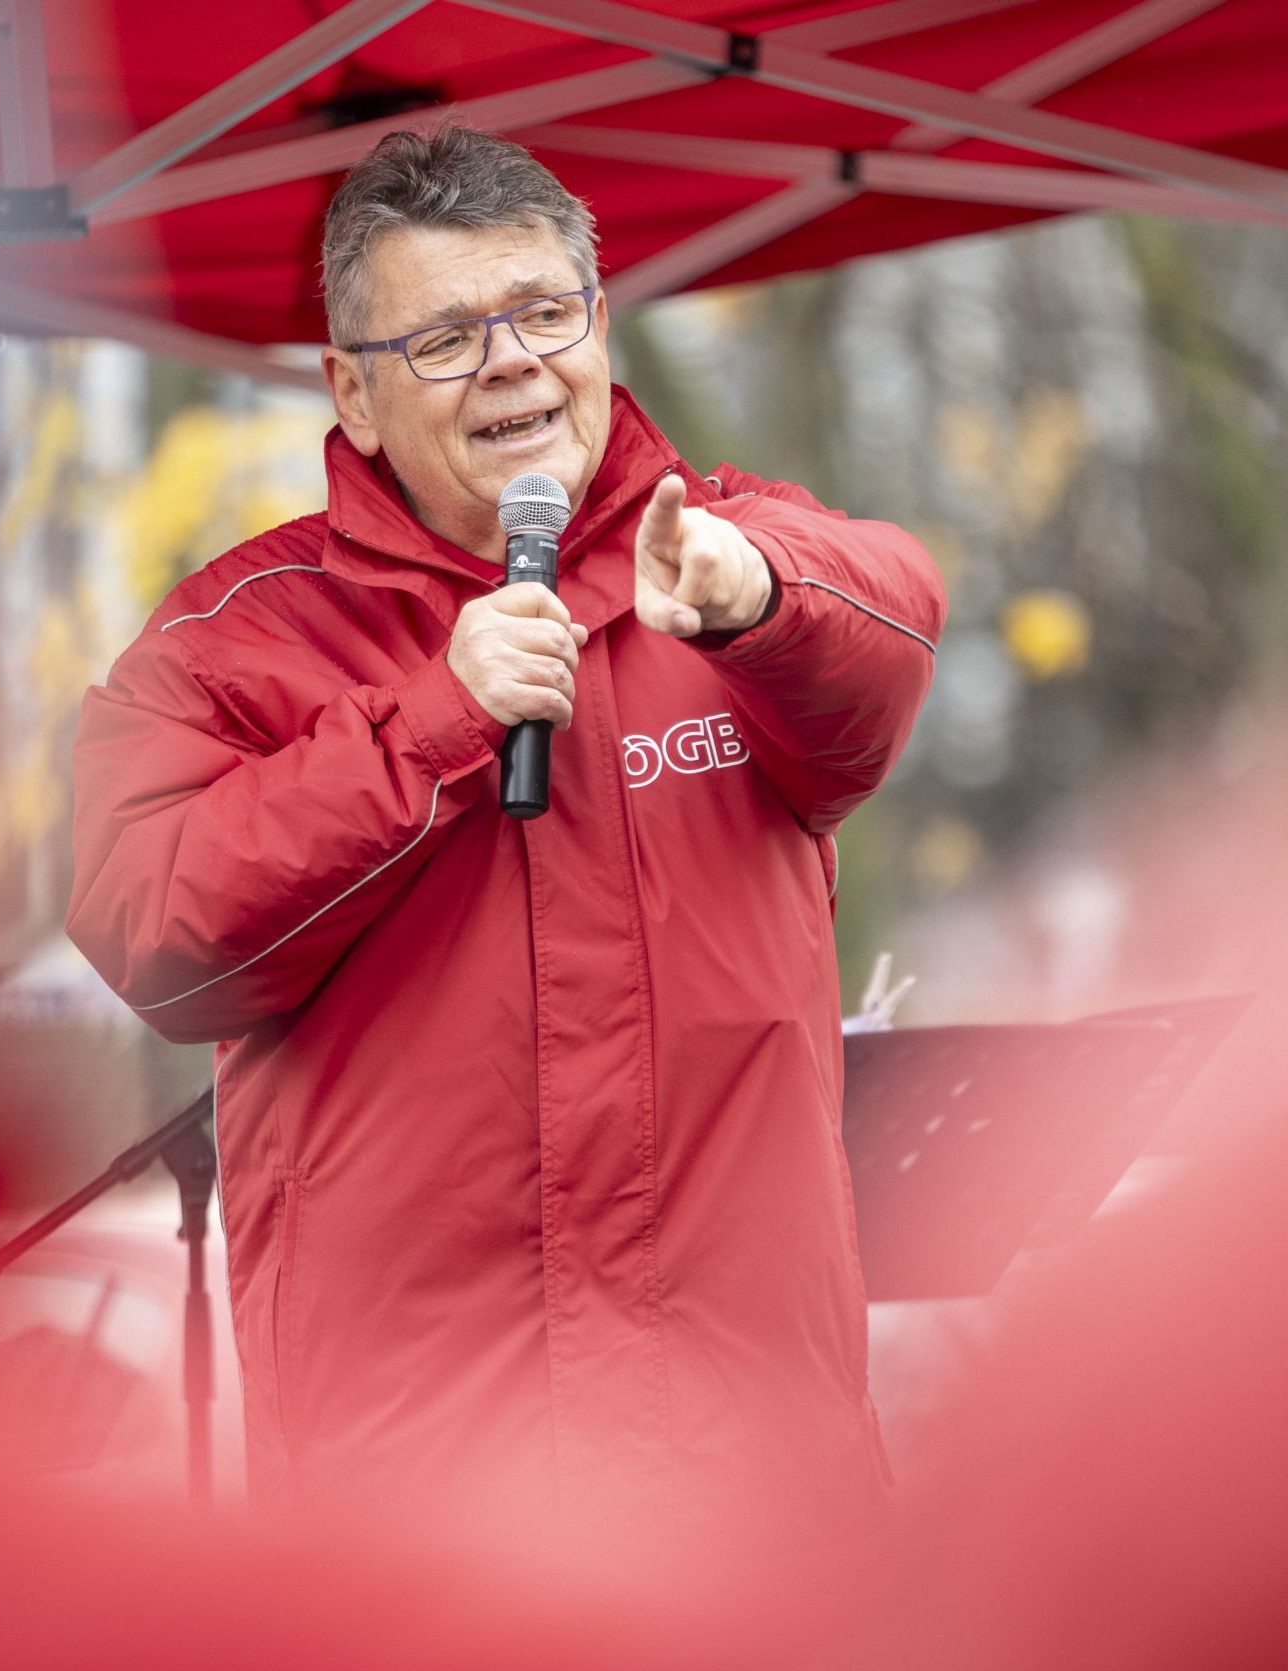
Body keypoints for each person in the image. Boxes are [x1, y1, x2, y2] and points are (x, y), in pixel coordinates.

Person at [68, 126, 946, 1549]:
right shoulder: (234, 643)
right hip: (418, 1519)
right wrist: (433, 726)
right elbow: (153, 934)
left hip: (753, 1494)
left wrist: (758, 594)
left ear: (597, 324)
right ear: (351, 393)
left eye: (546, 312)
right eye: (445, 339)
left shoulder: (725, 557)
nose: (513, 363)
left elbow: (895, 618)